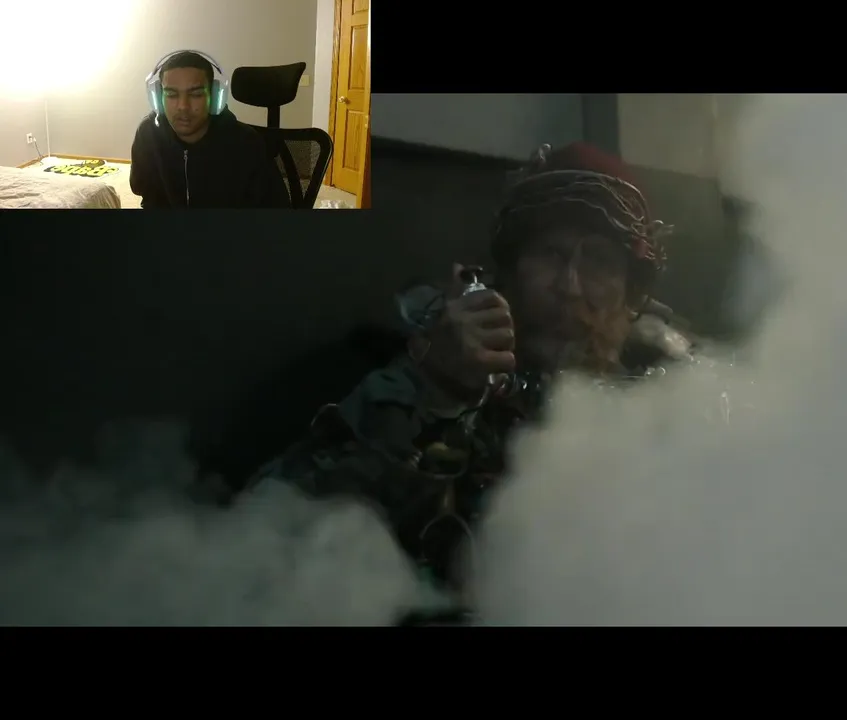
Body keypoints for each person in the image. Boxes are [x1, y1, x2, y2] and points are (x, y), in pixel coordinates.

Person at [247, 142, 694, 613]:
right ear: (508, 272)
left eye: (599, 262)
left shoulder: (668, 404)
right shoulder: (405, 376)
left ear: (631, 293)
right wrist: (433, 391)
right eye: (550, 254)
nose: (569, 287)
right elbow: (265, 549)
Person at [130, 50, 290, 209]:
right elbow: (142, 191)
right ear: (158, 97)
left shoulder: (247, 143)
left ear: (214, 96)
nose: (183, 106)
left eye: (196, 94)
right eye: (171, 95)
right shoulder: (148, 134)